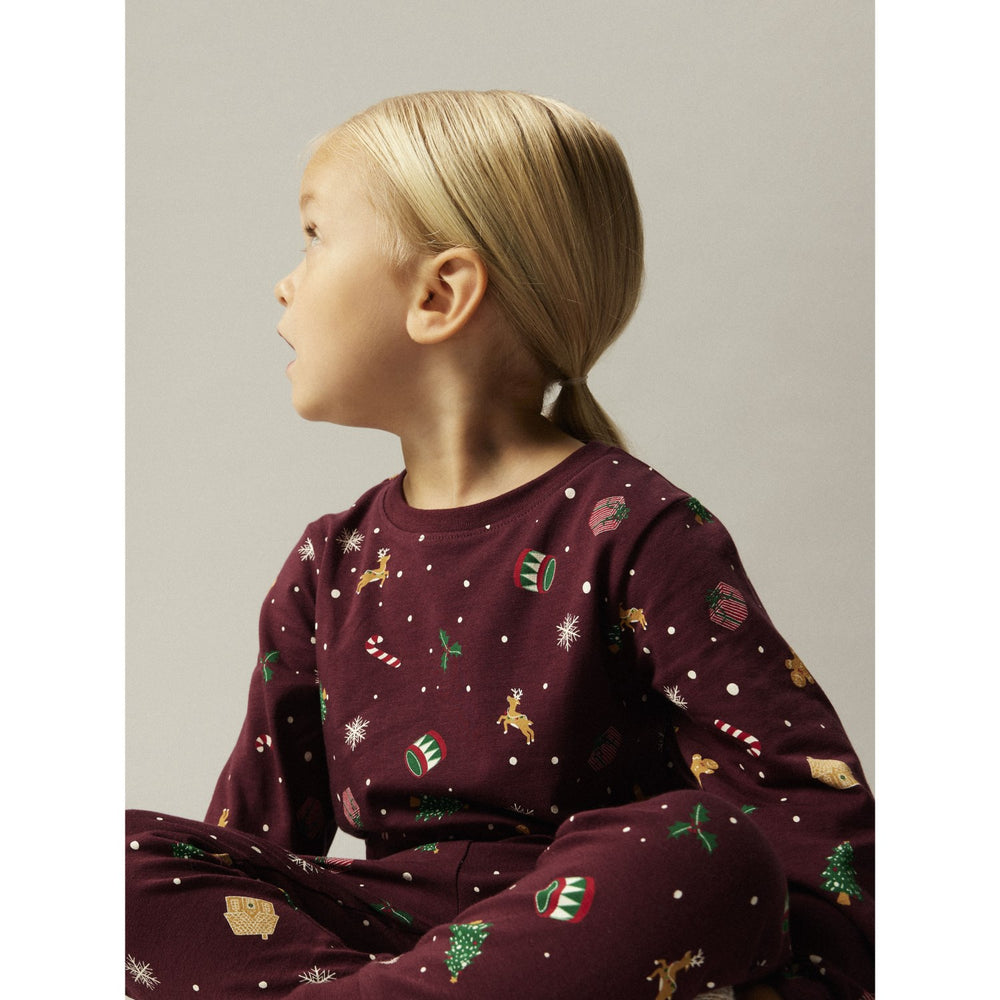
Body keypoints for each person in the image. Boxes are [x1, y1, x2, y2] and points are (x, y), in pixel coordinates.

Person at [125, 90, 874, 1000]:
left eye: (314, 237)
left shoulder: (633, 527)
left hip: (589, 938)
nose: (286, 281)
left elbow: (806, 809)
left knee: (705, 844)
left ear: (440, 294)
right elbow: (244, 852)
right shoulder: (328, 566)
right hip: (387, 944)